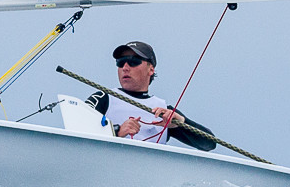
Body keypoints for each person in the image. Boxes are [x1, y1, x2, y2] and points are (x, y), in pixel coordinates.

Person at [87, 41, 216, 151]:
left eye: (133, 61)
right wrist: (116, 132)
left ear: (151, 70)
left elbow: (209, 144)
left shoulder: (163, 110)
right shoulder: (103, 98)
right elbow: (78, 127)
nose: (125, 67)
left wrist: (181, 123)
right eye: (120, 62)